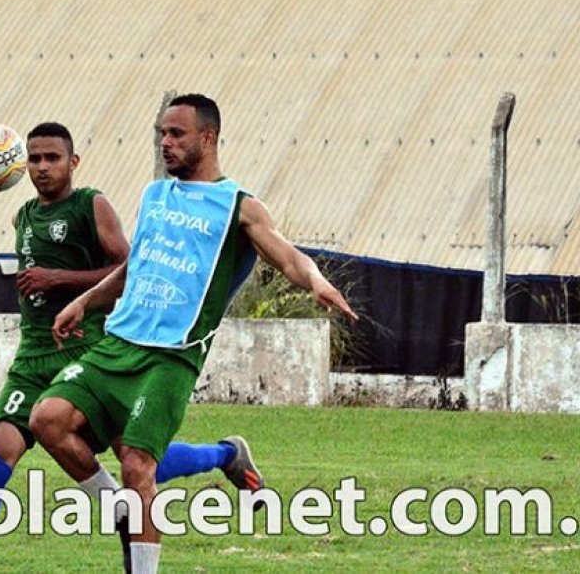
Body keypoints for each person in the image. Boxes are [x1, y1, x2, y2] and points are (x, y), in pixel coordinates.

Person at [0, 121, 263, 574]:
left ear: (73, 162)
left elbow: (131, 265)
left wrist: (59, 280)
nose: (42, 167)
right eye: (34, 159)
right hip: (33, 353)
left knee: (137, 459)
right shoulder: (24, 215)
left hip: (87, 347)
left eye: (52, 158)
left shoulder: (93, 206)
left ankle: (225, 454)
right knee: (0, 448)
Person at [29, 95, 359, 574]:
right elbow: (136, 268)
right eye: (162, 133)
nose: (165, 143)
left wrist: (317, 282)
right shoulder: (155, 195)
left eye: (176, 134)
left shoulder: (237, 207)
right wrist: (84, 301)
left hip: (170, 358)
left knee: (138, 465)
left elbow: (288, 256)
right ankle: (119, 507)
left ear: (207, 138)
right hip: (118, 344)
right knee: (48, 420)